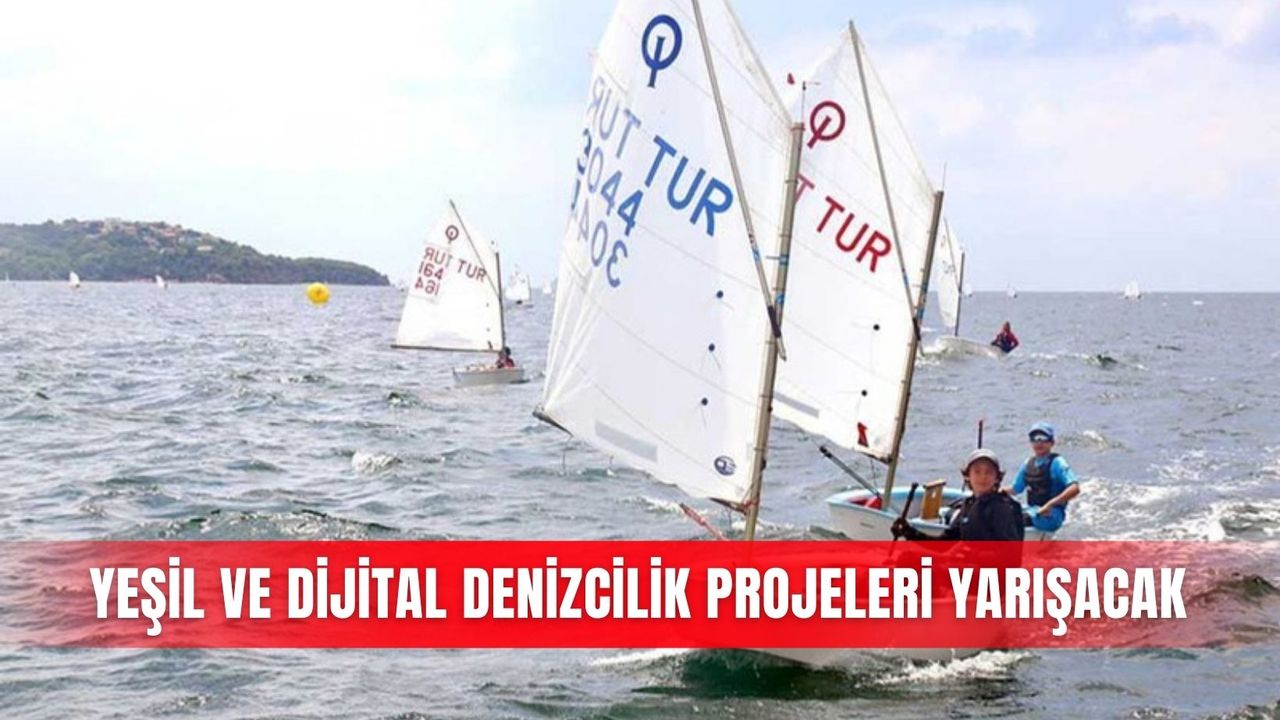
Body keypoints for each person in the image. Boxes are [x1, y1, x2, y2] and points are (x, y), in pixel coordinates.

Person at [891, 448, 1025, 541]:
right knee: (908, 557)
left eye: (989, 472)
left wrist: (968, 554)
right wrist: (910, 532)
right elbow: (945, 543)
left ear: (997, 478)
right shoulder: (968, 506)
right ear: (968, 476)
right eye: (977, 472)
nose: (983, 477)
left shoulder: (1001, 508)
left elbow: (1010, 556)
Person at [1006, 421, 1080, 532]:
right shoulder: (1028, 464)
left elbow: (1074, 488)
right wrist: (992, 490)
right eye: (1035, 438)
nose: (1039, 443)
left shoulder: (1057, 463)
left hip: (1051, 515)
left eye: (1043, 438)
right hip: (1033, 511)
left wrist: (1050, 504)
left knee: (1013, 521)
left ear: (1052, 442)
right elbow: (1015, 489)